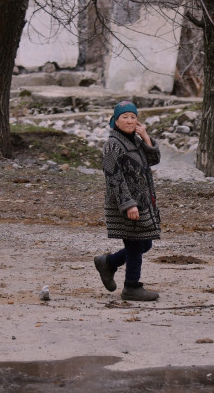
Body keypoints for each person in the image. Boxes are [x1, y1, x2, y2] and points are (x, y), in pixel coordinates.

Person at [94, 100, 162, 301]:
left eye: (133, 117)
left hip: (142, 202)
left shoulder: (136, 141)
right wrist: (128, 203)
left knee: (145, 244)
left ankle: (109, 263)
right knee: (135, 243)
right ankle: (132, 286)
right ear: (115, 120)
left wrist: (146, 137)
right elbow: (113, 177)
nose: (130, 121)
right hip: (126, 203)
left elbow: (154, 159)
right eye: (125, 117)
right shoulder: (112, 145)